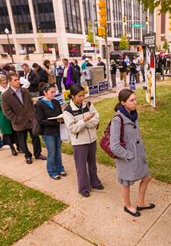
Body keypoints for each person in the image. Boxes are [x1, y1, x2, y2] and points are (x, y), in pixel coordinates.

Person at [110, 89, 154, 217]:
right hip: (126, 156)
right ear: (123, 102)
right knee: (126, 183)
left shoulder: (133, 114)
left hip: (138, 153)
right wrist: (129, 155)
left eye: (135, 99)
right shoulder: (117, 119)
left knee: (147, 177)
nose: (135, 102)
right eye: (132, 100)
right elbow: (114, 146)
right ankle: (128, 206)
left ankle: (141, 203)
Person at [63, 84, 104, 196]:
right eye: (79, 96)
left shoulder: (89, 104)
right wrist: (84, 121)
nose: (82, 98)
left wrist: (83, 123)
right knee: (81, 166)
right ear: (72, 96)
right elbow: (73, 128)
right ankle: (84, 188)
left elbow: (96, 119)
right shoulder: (68, 110)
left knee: (92, 164)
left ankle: (94, 182)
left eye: (83, 95)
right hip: (79, 143)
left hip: (92, 140)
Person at [2, 72, 46, 164]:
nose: (18, 81)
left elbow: (31, 102)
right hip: (19, 123)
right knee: (22, 141)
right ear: (10, 82)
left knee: (36, 137)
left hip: (31, 119)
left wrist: (33, 113)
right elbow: (6, 111)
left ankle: (38, 154)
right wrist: (16, 119)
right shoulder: (5, 95)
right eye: (15, 80)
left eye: (18, 79)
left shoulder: (25, 91)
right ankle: (28, 156)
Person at [34, 84, 66, 180]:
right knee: (52, 152)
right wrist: (54, 121)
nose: (54, 94)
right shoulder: (39, 104)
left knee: (58, 151)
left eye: (54, 92)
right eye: (51, 92)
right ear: (45, 92)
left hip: (57, 130)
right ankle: (52, 171)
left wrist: (62, 119)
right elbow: (40, 121)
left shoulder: (56, 102)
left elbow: (60, 114)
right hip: (47, 132)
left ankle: (60, 168)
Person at [0, 75, 18, 156]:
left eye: (6, 82)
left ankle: (19, 146)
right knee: (8, 132)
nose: (5, 84)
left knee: (16, 131)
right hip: (3, 114)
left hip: (13, 112)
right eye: (3, 83)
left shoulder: (9, 89)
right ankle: (12, 148)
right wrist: (3, 103)